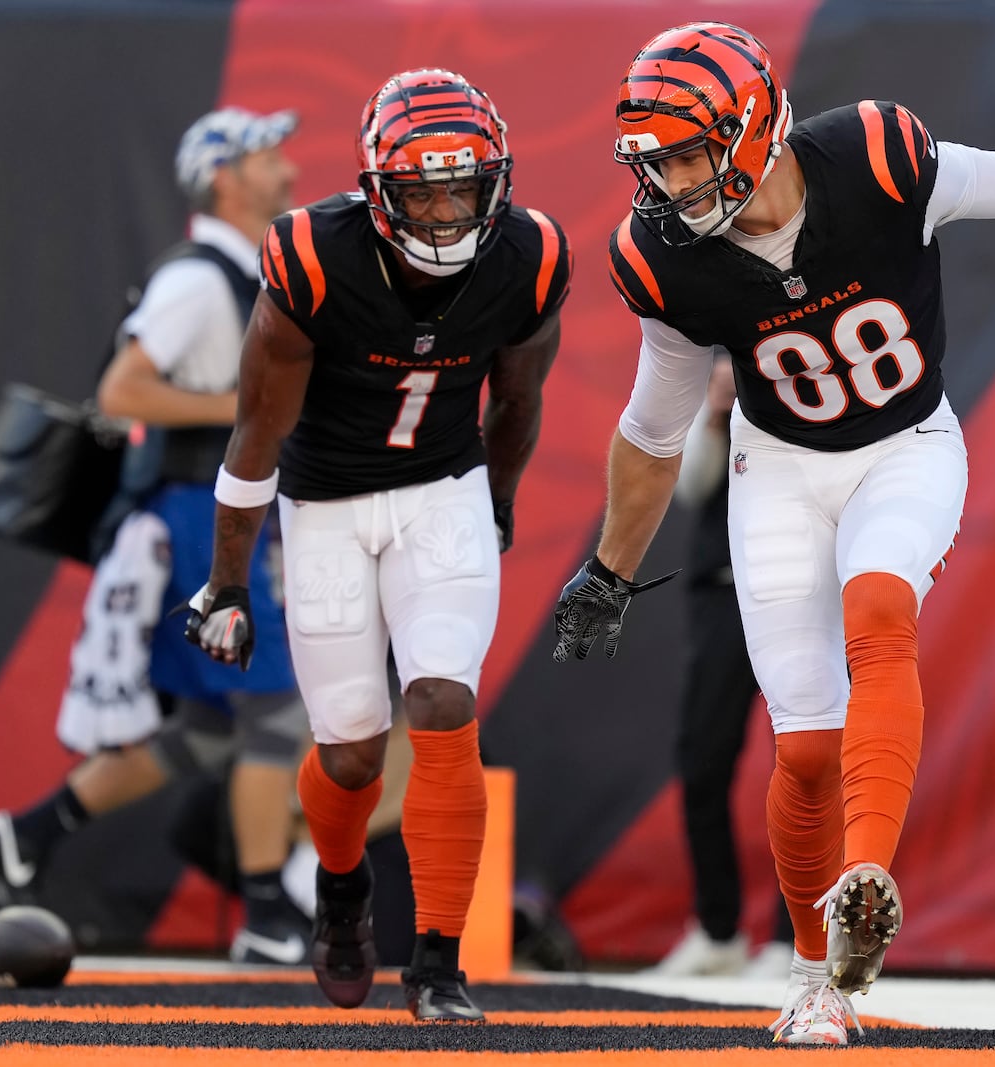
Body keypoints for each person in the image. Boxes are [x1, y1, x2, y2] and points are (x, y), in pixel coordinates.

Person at [551, 21, 995, 1046]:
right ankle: (816, 975)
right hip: (781, 470)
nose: (670, 182)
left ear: (752, 127)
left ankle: (865, 879)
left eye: (684, 152)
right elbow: (654, 430)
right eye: (656, 160)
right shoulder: (664, 258)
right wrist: (608, 570)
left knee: (881, 607)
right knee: (803, 749)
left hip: (905, 444)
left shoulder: (877, 157)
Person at [182, 69, 570, 1022]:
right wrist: (225, 584)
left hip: (443, 488)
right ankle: (344, 888)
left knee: (440, 699)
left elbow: (517, 400)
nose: (445, 211)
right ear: (376, 190)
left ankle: (438, 961)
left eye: (463, 186)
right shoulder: (315, 255)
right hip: (326, 503)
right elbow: (256, 435)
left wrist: (501, 499)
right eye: (422, 190)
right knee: (351, 753)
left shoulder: (530, 255)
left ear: (497, 182)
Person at [0, 106, 316, 966]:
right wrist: (248, 413)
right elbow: (124, 389)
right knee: (276, 712)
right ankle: (271, 915)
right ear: (224, 180)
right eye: (269, 157)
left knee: (208, 725)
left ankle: (28, 834)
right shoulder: (200, 280)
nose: (288, 171)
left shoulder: (238, 272)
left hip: (214, 510)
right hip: (197, 516)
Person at [647, 354, 793, 978]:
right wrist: (713, 413)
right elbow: (692, 488)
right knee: (701, 758)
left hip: (794, 591)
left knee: (805, 757)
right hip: (725, 593)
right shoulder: (715, 408)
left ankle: (797, 938)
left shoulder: (797, 391)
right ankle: (717, 927)